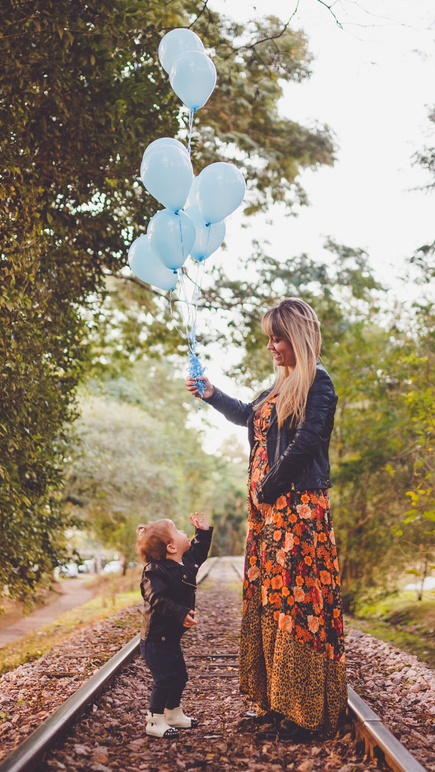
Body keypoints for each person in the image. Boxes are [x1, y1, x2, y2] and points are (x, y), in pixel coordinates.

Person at [185, 297, 344, 742]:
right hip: (269, 517)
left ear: (299, 337)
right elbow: (248, 417)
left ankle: (305, 711)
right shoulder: (279, 385)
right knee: (274, 603)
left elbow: (308, 442)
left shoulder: (318, 382)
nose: (272, 346)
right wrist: (211, 394)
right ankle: (276, 701)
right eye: (269, 339)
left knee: (299, 606)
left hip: (297, 513)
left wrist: (268, 488)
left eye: (278, 338)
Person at [137, 512, 213, 739]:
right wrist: (180, 613)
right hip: (154, 641)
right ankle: (154, 719)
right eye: (178, 531)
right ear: (170, 547)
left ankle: (172, 713)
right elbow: (157, 599)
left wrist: (203, 531)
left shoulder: (185, 562)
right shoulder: (154, 572)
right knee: (165, 679)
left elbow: (199, 551)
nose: (183, 532)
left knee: (179, 676)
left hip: (169, 638)